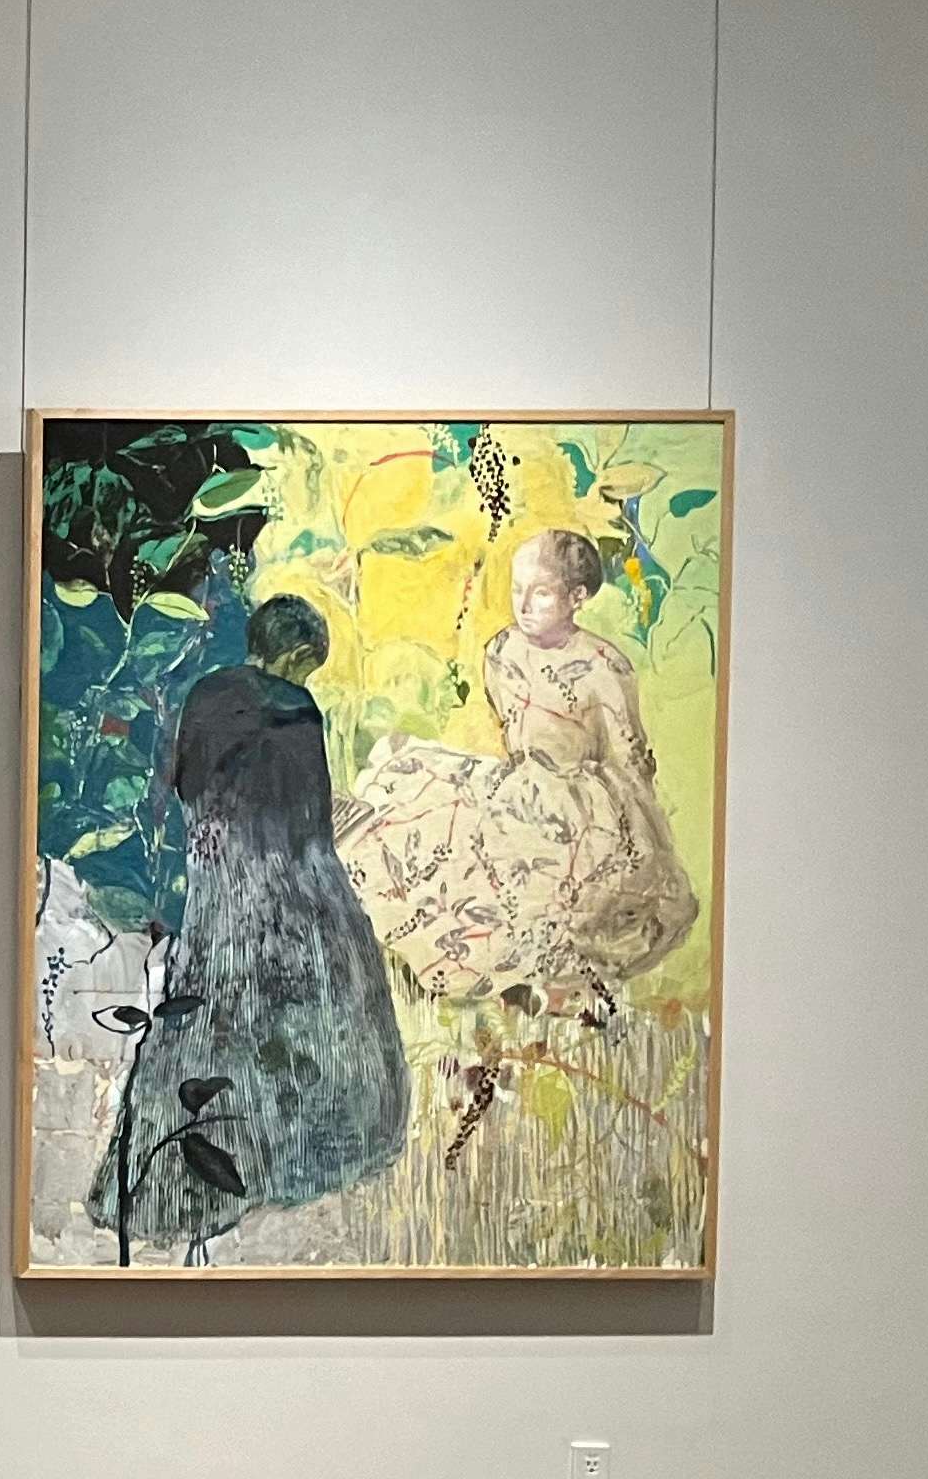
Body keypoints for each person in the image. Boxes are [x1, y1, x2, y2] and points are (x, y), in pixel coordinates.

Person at [88, 594, 408, 1256]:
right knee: (323, 1000)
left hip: (215, 872)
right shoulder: (296, 708)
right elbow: (309, 819)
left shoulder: (207, 693)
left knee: (211, 1015)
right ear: (297, 655)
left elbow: (179, 782)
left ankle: (181, 1179)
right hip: (282, 872)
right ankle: (297, 1160)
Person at [335, 529, 698, 1017]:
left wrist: (645, 841)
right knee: (430, 820)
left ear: (577, 597)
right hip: (523, 790)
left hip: (586, 810)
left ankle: (532, 984)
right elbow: (516, 742)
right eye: (517, 589)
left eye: (541, 593)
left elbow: (628, 759)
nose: (523, 605)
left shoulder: (604, 667)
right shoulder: (502, 650)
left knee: (542, 891)